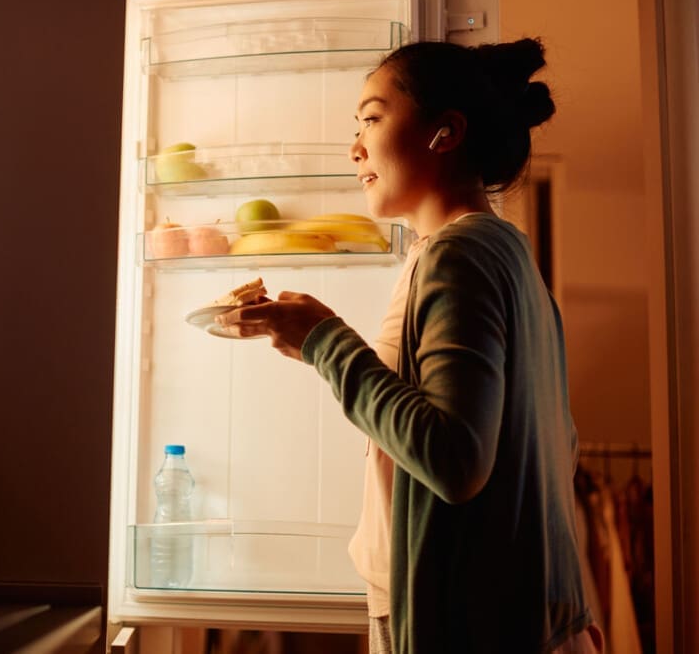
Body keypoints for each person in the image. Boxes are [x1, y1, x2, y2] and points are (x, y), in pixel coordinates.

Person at [217, 38, 603, 654]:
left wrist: (323, 340)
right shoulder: (506, 254)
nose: (355, 147)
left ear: (443, 132)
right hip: (519, 614)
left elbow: (456, 459)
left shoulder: (461, 254)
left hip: (465, 623)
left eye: (372, 117)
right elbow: (556, 446)